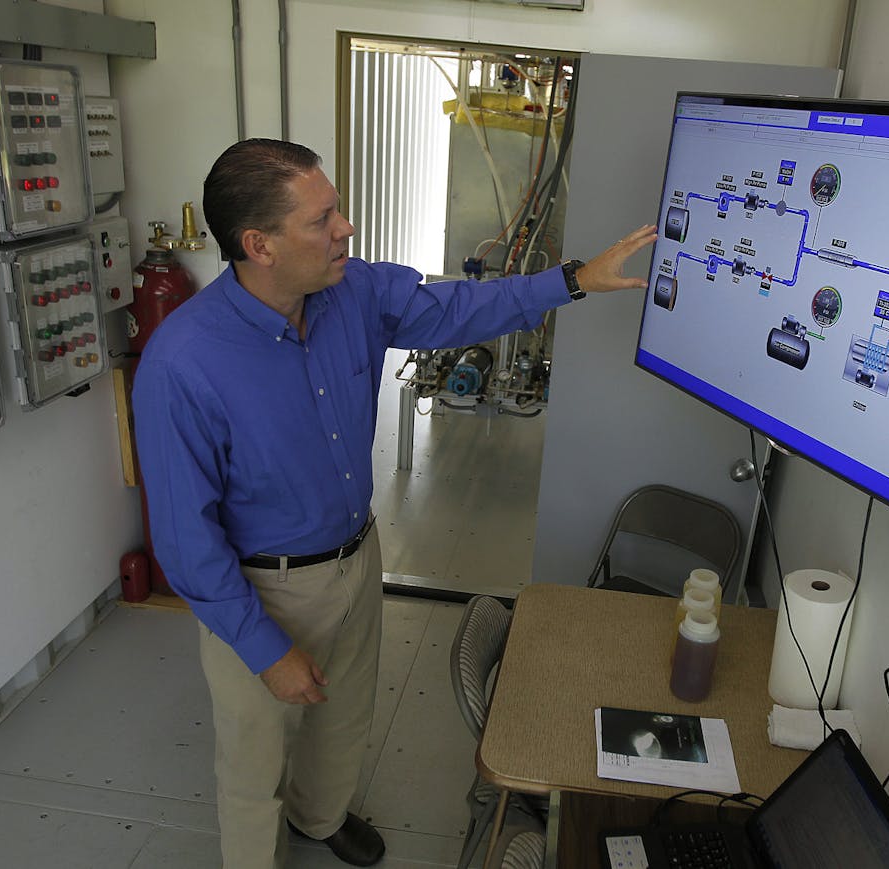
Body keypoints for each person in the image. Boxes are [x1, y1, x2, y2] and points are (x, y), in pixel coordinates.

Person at [131, 138, 656, 869]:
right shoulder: (183, 362)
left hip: (357, 552)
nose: (346, 227)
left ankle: (321, 818)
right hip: (258, 586)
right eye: (323, 219)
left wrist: (571, 281)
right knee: (255, 758)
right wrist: (264, 647)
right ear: (260, 244)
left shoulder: (357, 293)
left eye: (338, 209)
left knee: (344, 718)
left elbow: (460, 306)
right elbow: (187, 543)